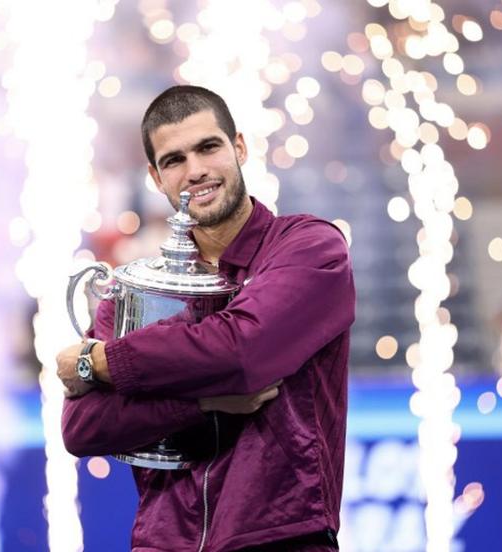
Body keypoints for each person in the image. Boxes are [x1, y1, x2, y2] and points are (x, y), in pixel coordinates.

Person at [57, 85, 355, 551]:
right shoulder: (142, 287)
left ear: (239, 147)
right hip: (161, 541)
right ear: (157, 178)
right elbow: (83, 426)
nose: (195, 170)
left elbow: (241, 352)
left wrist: (100, 363)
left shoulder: (309, 247)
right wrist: (201, 404)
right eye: (174, 160)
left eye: (208, 147)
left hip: (280, 538)